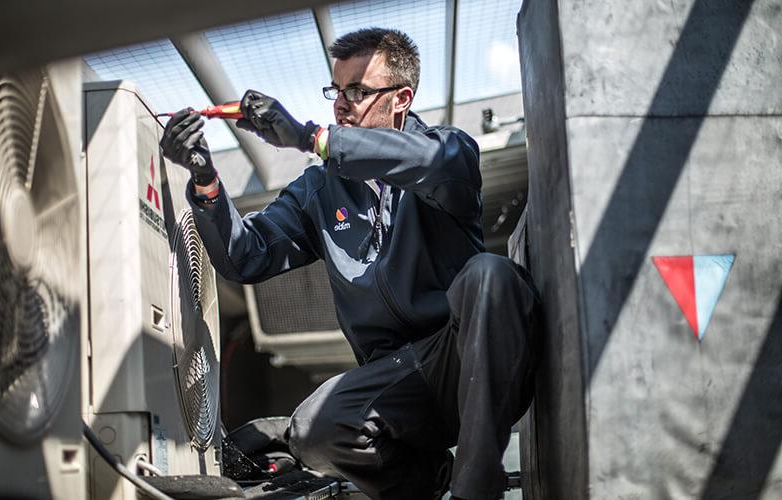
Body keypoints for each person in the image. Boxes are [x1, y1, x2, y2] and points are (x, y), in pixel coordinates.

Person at [161, 27, 540, 500]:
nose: (341, 104)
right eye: (336, 90)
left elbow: (422, 162)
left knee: (491, 274)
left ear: (401, 98)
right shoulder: (320, 190)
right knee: (311, 431)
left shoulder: (449, 152)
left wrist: (309, 137)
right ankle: (425, 481)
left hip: (469, 357)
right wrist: (205, 181)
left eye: (357, 91)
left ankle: (475, 488)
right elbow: (246, 255)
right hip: (398, 383)